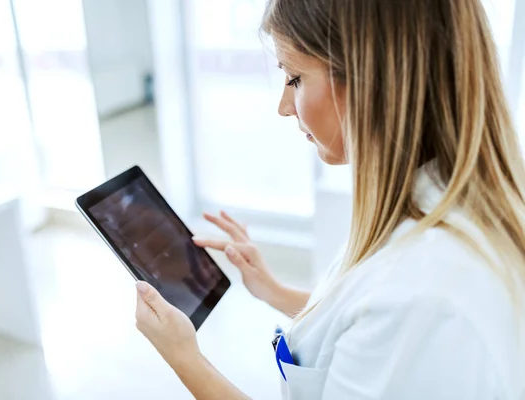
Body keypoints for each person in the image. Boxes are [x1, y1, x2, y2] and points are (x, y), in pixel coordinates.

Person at [133, 0, 525, 398]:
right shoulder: (434, 207)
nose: (284, 107)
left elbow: (388, 320)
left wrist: (184, 358)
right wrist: (272, 289)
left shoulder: (423, 294)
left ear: (369, 78)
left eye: (295, 78)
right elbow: (359, 326)